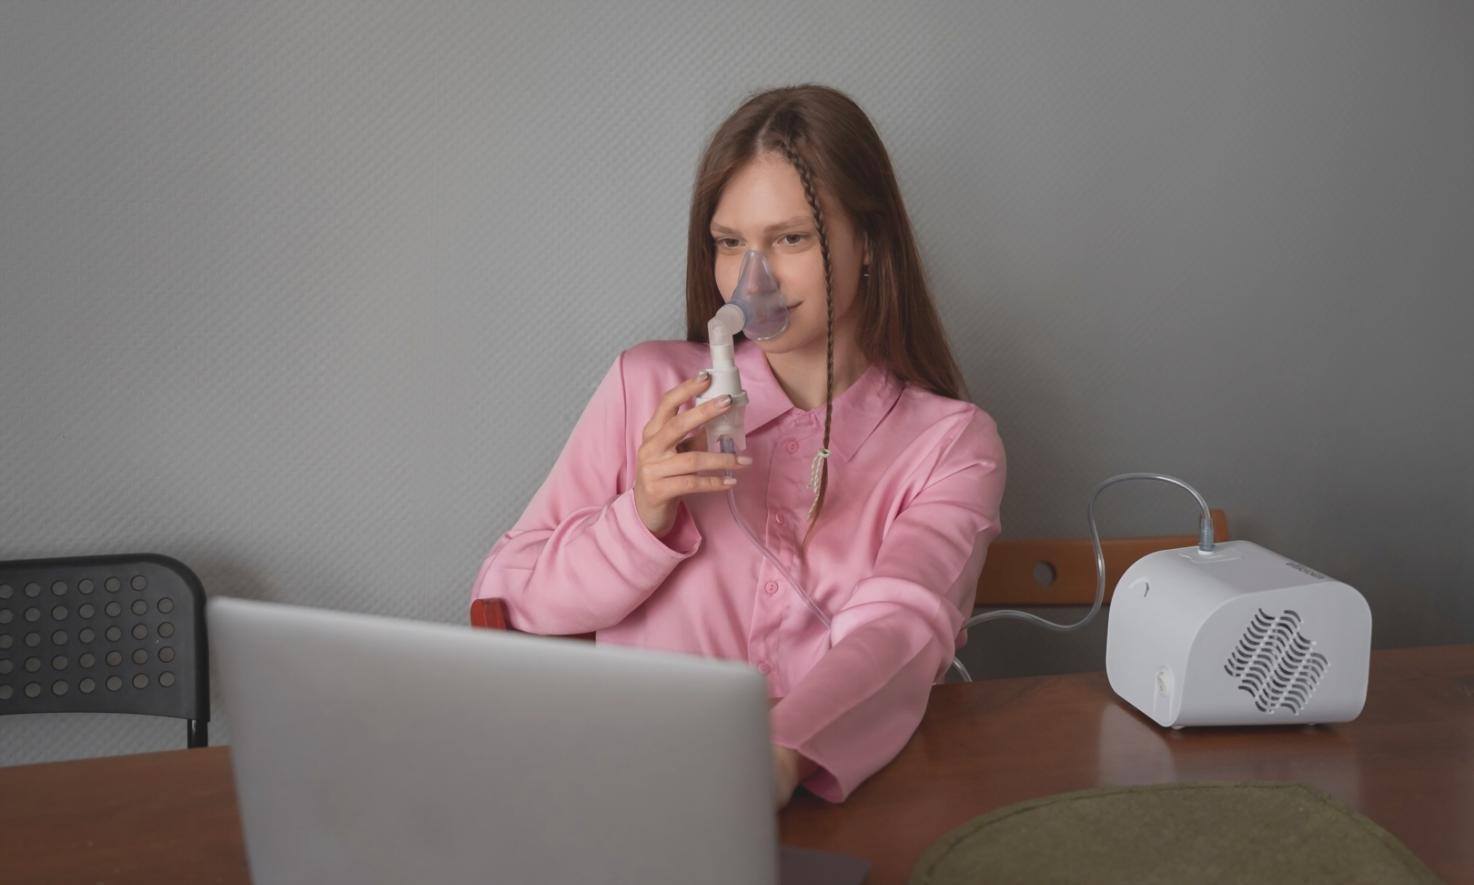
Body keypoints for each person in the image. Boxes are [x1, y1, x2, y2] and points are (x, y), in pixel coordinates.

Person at [471, 84, 1005, 808]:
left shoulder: (949, 444)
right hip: (636, 795)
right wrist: (641, 517)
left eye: (790, 238)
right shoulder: (648, 389)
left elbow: (902, 627)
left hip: (838, 811)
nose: (753, 280)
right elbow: (506, 593)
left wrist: (778, 758)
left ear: (870, 243)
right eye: (730, 243)